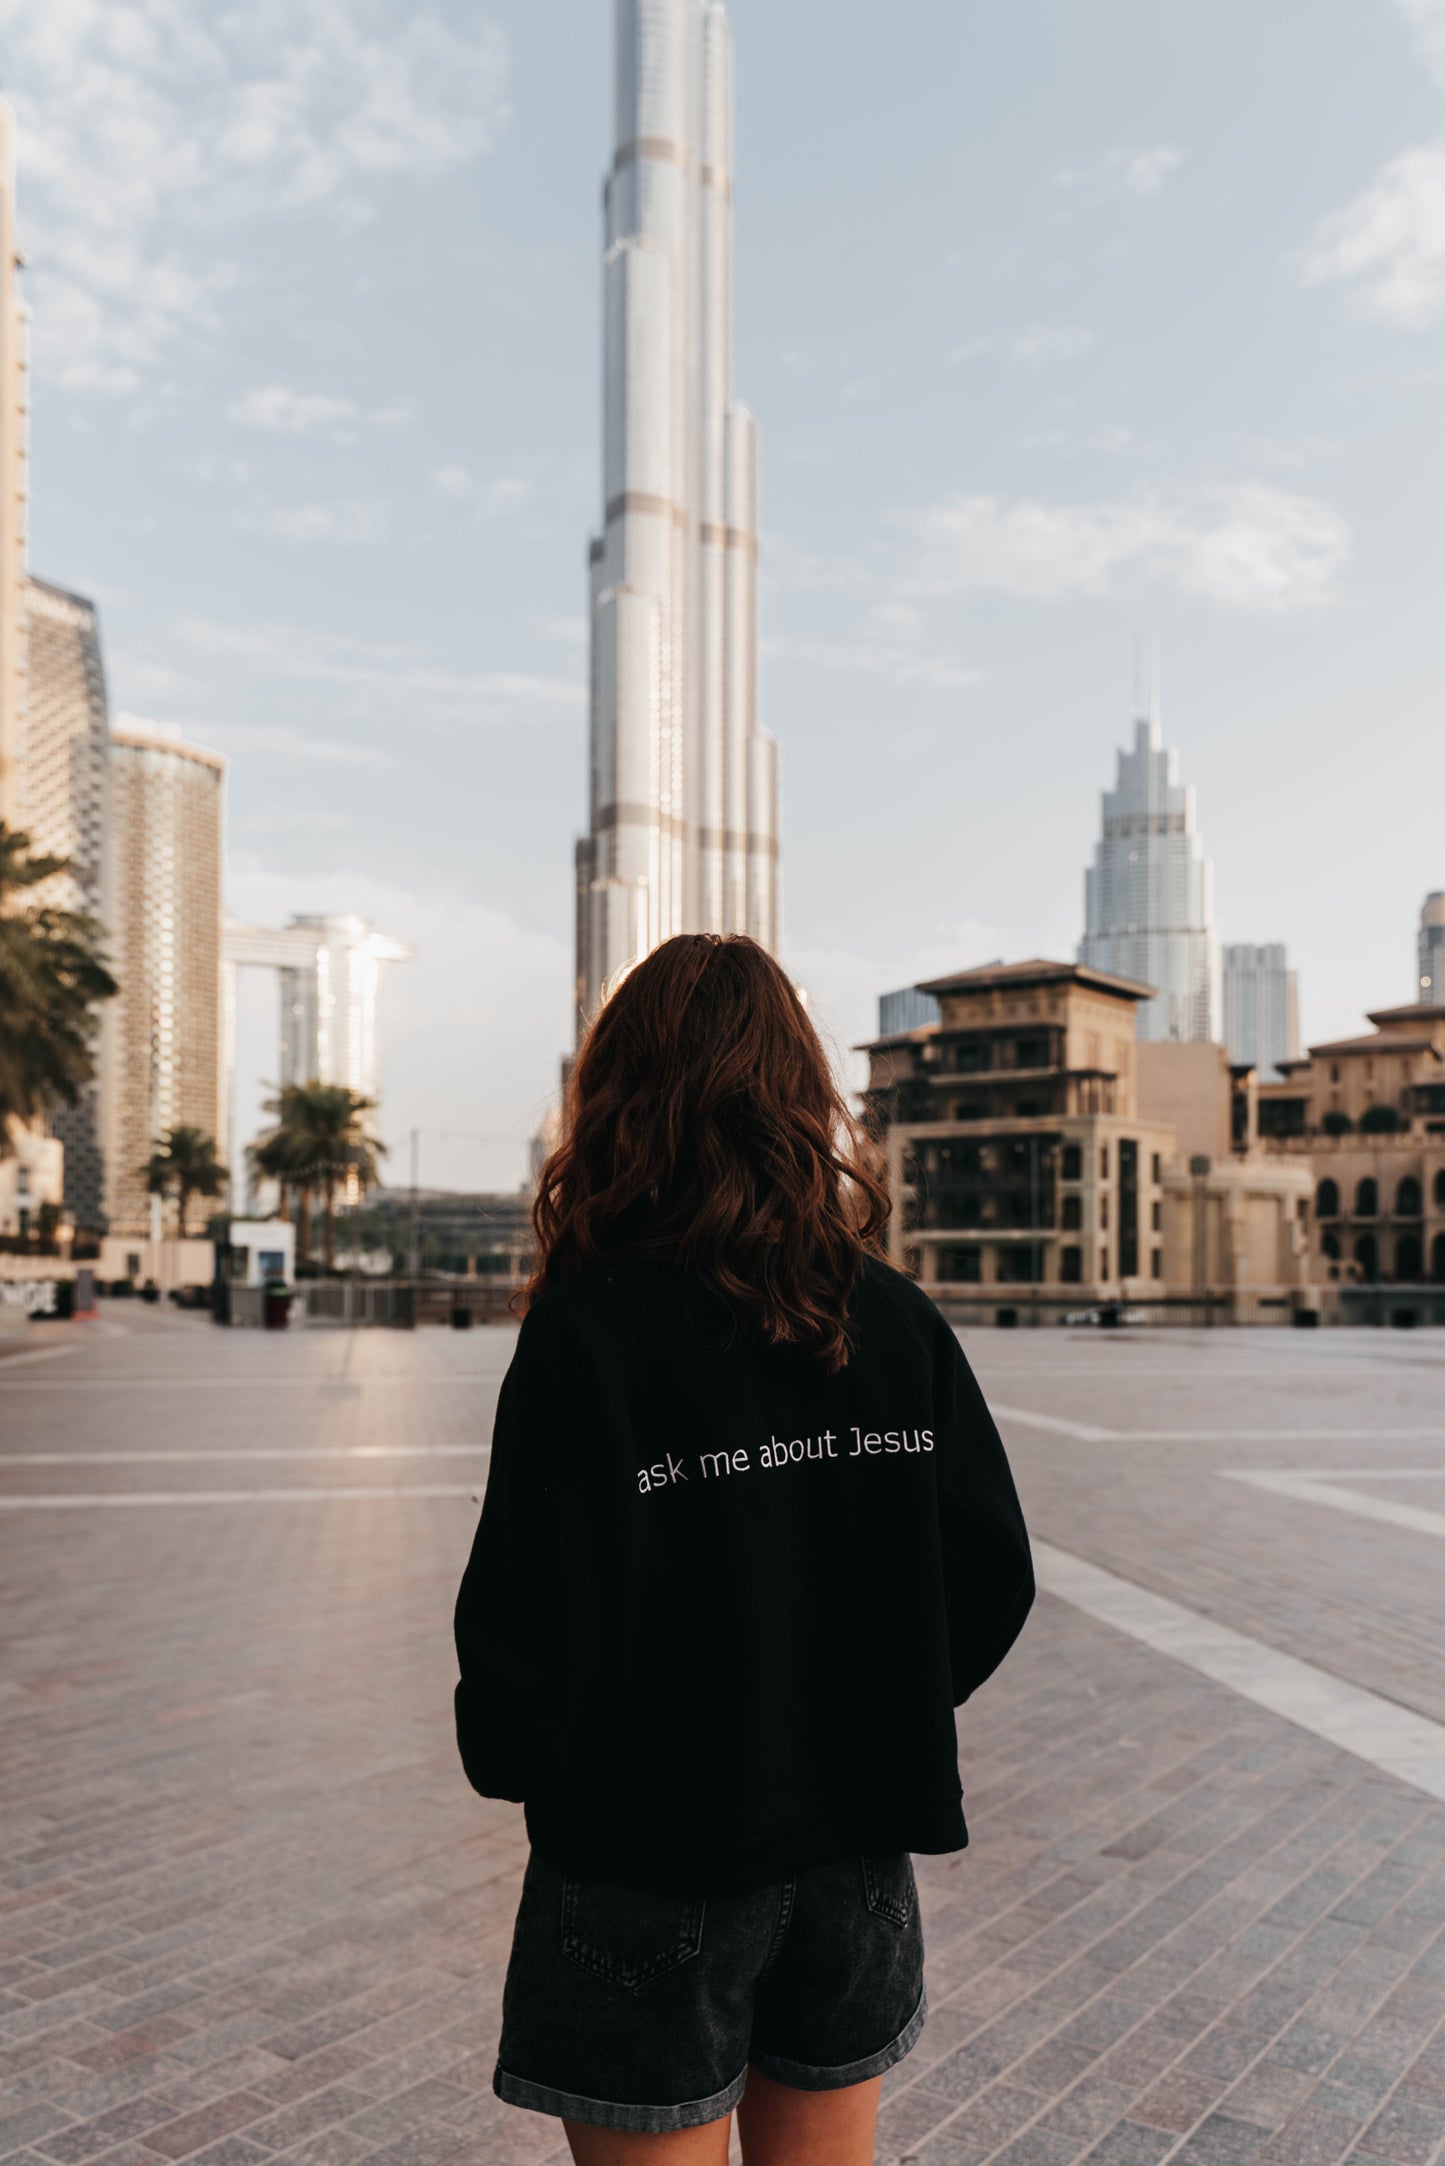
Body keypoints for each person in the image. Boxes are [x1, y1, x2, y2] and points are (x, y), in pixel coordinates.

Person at [453, 934, 1034, 2164]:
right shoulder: (886, 1318)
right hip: (854, 1847)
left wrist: (521, 1760)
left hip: (643, 1853)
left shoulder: (587, 1336)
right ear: (796, 1094)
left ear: (618, 1099)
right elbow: (990, 1564)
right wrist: (871, 1704)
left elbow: (528, 1612)